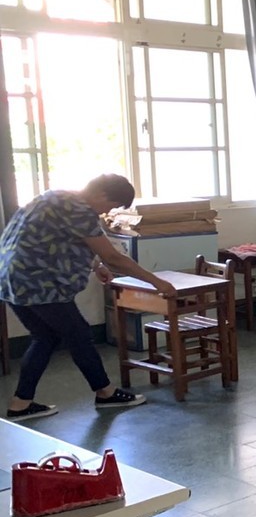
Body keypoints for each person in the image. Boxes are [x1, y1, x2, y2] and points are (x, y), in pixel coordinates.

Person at [0, 174, 177, 421]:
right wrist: (156, 281)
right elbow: (113, 257)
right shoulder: (80, 210)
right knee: (79, 335)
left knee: (45, 337)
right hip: (41, 284)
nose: (107, 212)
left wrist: (96, 265)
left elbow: (58, 239)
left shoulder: (52, 197)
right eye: (112, 205)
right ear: (101, 194)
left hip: (11, 279)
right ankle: (105, 393)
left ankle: (20, 404)